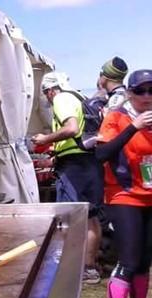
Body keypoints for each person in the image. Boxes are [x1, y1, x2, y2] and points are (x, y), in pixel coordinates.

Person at [95, 69, 152, 298]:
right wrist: (135, 127)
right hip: (123, 196)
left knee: (144, 261)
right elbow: (102, 155)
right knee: (128, 261)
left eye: (151, 90)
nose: (146, 96)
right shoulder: (116, 117)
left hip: (150, 198)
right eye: (140, 91)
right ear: (129, 92)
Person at [31, 72, 104, 284]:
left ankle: (71, 266)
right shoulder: (78, 98)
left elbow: (71, 128)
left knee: (70, 217)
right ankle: (89, 267)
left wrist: (45, 138)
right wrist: (57, 152)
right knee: (91, 216)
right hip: (90, 162)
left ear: (51, 90)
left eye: (46, 94)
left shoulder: (61, 99)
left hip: (74, 168)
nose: (47, 99)